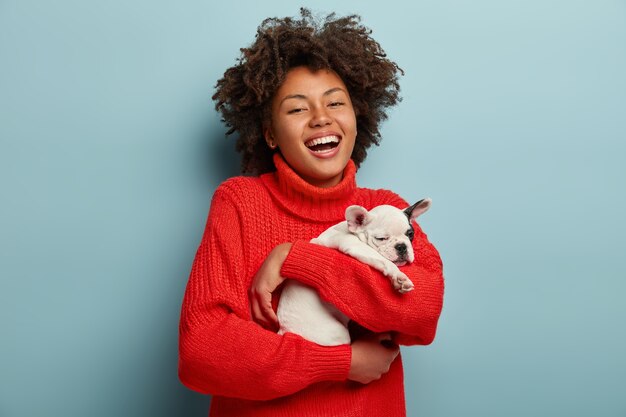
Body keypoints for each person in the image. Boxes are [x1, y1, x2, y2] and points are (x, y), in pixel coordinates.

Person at [178, 8, 444, 417]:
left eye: (336, 102)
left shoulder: (385, 209)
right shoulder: (239, 202)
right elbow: (204, 350)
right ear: (269, 133)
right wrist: (343, 363)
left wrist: (296, 258)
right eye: (297, 108)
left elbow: (422, 313)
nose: (321, 117)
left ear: (358, 116)